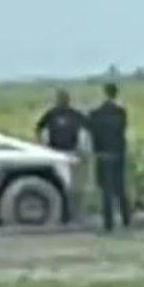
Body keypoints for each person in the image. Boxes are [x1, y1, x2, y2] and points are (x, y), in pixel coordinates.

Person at [35, 89, 90, 221]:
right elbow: (39, 127)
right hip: (55, 153)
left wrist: (83, 148)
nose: (62, 101)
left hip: (71, 153)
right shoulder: (52, 113)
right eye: (60, 99)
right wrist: (42, 143)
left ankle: (72, 213)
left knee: (71, 185)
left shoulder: (74, 114)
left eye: (64, 99)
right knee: (61, 183)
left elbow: (88, 127)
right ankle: (64, 213)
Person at [88, 83, 132, 233]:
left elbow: (92, 132)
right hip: (118, 153)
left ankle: (108, 222)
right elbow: (123, 130)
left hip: (102, 154)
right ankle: (126, 218)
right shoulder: (121, 112)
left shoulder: (96, 113)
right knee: (120, 187)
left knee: (105, 189)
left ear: (104, 93)